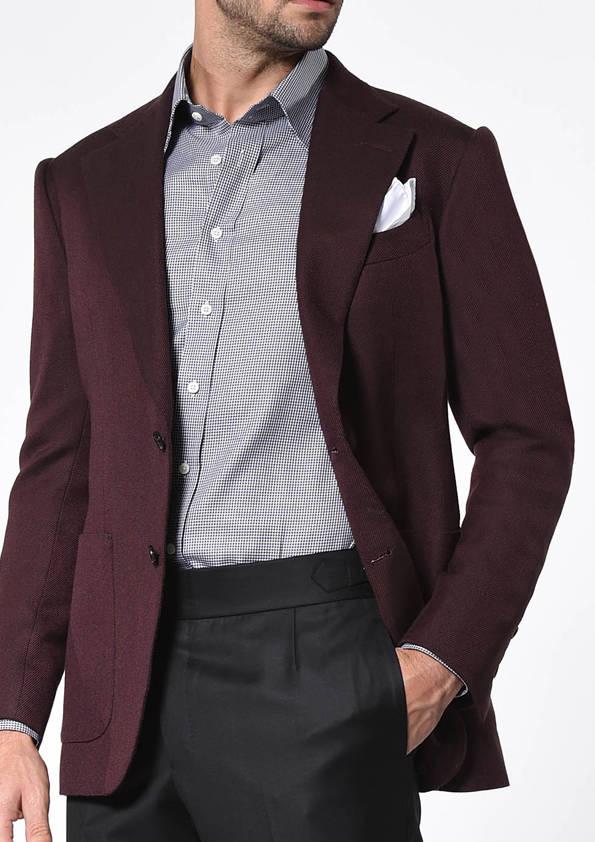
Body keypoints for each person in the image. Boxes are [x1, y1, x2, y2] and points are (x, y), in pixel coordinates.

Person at [0, 1, 574, 840]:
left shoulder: (435, 157)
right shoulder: (81, 181)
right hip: (119, 685)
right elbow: (60, 462)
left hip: (323, 655)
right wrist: (13, 715)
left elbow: (528, 437)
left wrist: (441, 660)